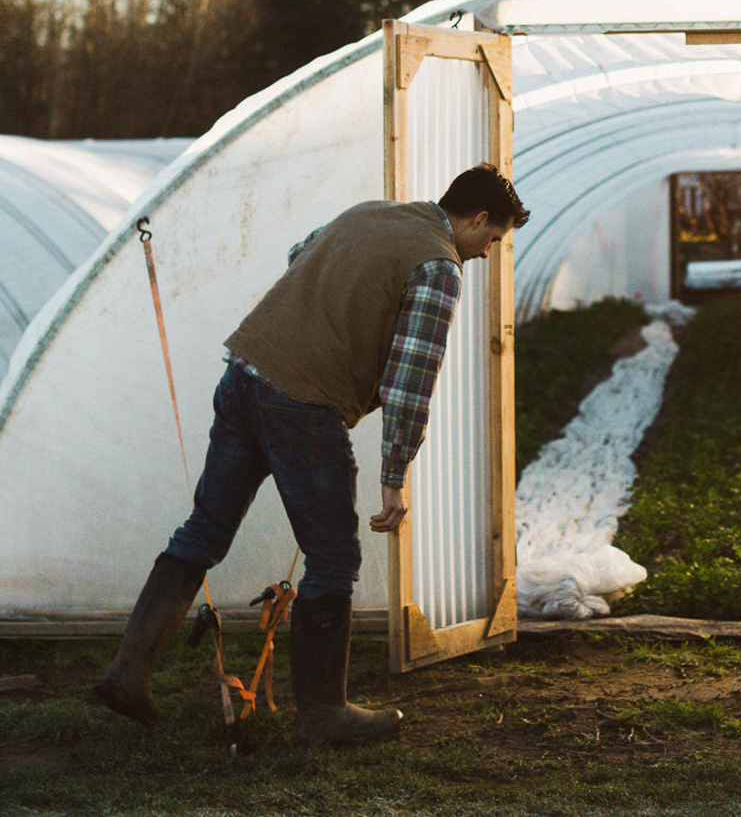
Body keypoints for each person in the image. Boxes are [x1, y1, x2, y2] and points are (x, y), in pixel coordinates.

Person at [93, 163, 530, 740]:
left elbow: (300, 255)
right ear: (477, 219)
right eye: (492, 239)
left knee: (202, 533)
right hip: (301, 404)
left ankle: (127, 675)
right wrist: (394, 477)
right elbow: (410, 380)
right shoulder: (439, 264)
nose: (486, 252)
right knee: (333, 560)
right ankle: (323, 714)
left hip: (244, 375)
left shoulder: (370, 212)